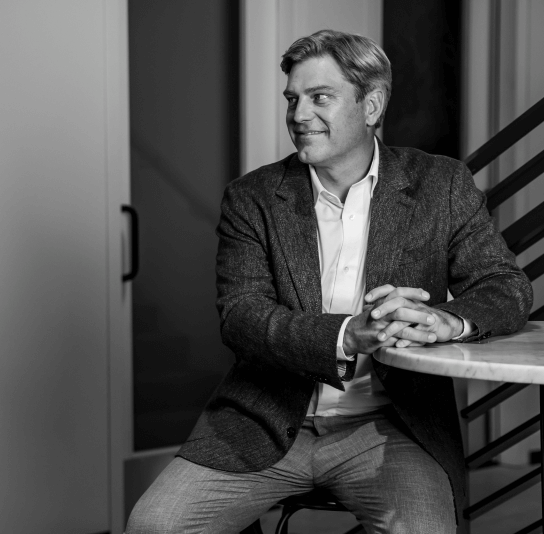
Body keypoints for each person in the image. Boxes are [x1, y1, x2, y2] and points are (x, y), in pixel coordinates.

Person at [126, 30, 532, 534]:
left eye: (320, 98)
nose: (299, 115)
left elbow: (505, 285)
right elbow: (242, 317)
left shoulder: (441, 184)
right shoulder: (252, 196)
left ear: (371, 105)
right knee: (154, 525)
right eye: (292, 99)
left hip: (391, 426)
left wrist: (447, 320)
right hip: (265, 419)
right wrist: (346, 335)